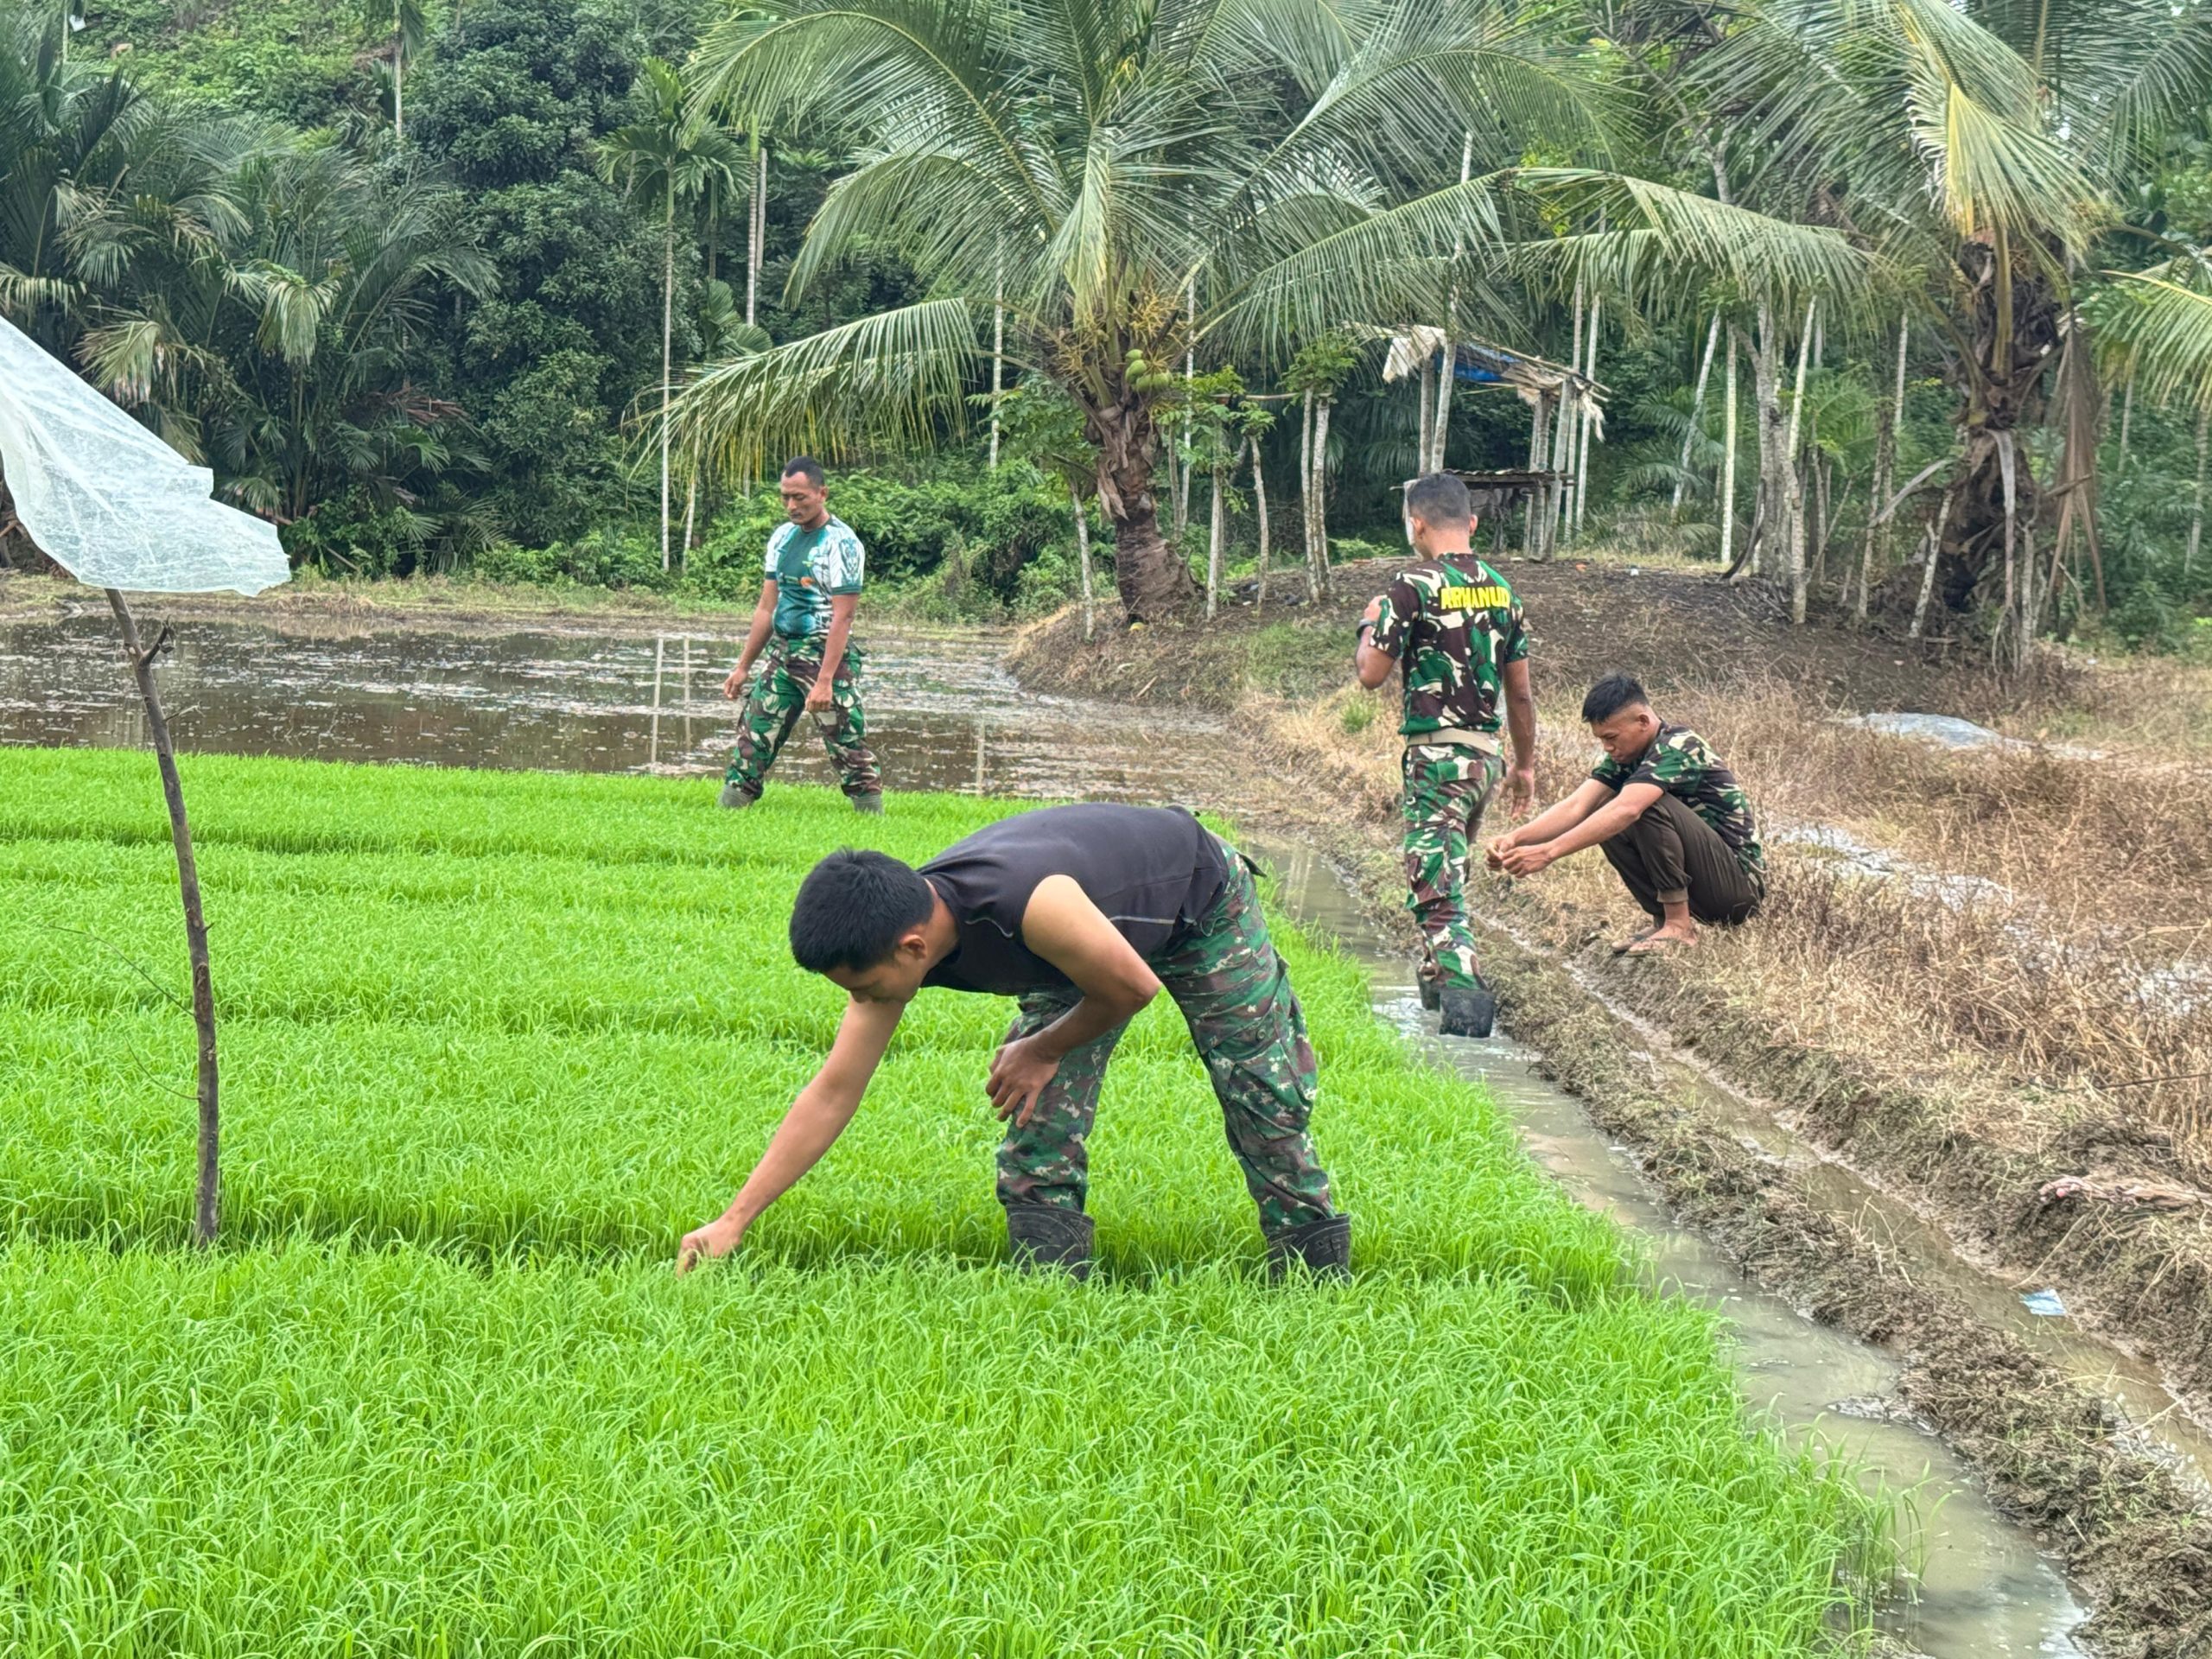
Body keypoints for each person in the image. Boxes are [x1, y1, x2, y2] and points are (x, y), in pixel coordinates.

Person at [674, 803, 1347, 1281]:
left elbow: (1131, 988)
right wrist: (734, 1220)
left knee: (1261, 1092)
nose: (865, 1001)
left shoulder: (1028, 906)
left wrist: (1044, 1047)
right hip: (1078, 950)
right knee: (1039, 1112)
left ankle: (1313, 1274)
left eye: (868, 988)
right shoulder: (896, 936)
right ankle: (1050, 1290)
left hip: (1197, 902)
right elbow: (833, 1091)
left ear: (913, 948)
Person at [1352, 471, 1535, 1039]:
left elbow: (1371, 674)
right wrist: (1525, 765)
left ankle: (1466, 1007)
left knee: (1433, 881)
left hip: (1438, 759)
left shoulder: (1411, 585)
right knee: (1449, 870)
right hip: (1485, 760)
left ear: (1417, 525)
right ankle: (1434, 984)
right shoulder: (1503, 590)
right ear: (1472, 523)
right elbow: (1520, 694)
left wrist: (1369, 622)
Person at [1488, 673, 1764, 954]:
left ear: (1642, 721)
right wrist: (1515, 838)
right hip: (1707, 886)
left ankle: (1679, 926)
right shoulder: (1628, 756)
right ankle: (1663, 921)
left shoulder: (1678, 746)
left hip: (1737, 890)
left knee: (1640, 806)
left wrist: (1549, 852)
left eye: (1611, 737)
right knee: (1604, 811)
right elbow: (1577, 806)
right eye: (1601, 739)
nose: (1607, 747)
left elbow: (1628, 809)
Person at [719, 457, 882, 813]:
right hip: (783, 653)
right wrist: (743, 667)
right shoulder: (782, 538)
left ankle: (874, 824)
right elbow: (767, 608)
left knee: (848, 745)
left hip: (823, 654)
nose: (792, 506)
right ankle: (726, 817)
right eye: (785, 497)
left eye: (800, 497)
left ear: (822, 494)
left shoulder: (842, 543)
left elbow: (843, 616)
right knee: (752, 740)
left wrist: (825, 681)